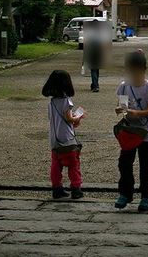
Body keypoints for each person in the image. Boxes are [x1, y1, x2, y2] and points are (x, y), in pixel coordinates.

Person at [114, 49, 148, 212]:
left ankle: (146, 196)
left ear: (144, 70)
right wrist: (121, 109)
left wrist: (137, 113)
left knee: (147, 165)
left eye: (137, 71)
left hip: (146, 132)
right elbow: (123, 106)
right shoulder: (124, 86)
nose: (134, 75)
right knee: (124, 163)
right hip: (130, 131)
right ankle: (125, 193)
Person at [41, 70, 85, 200]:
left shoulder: (52, 102)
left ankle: (56, 188)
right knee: (73, 164)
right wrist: (78, 117)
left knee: (56, 165)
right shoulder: (66, 101)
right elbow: (69, 118)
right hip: (67, 139)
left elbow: (53, 119)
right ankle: (76, 188)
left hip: (54, 138)